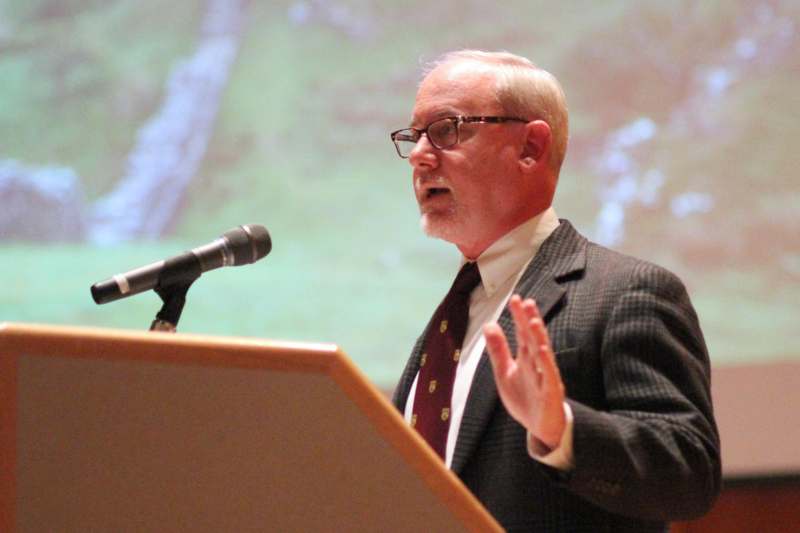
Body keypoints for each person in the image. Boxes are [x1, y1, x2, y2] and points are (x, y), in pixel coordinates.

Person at [390, 50, 721, 532]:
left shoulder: (626, 293)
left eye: (447, 129)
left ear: (530, 147)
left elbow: (689, 472)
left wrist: (561, 428)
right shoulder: (453, 315)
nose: (420, 155)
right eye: (413, 135)